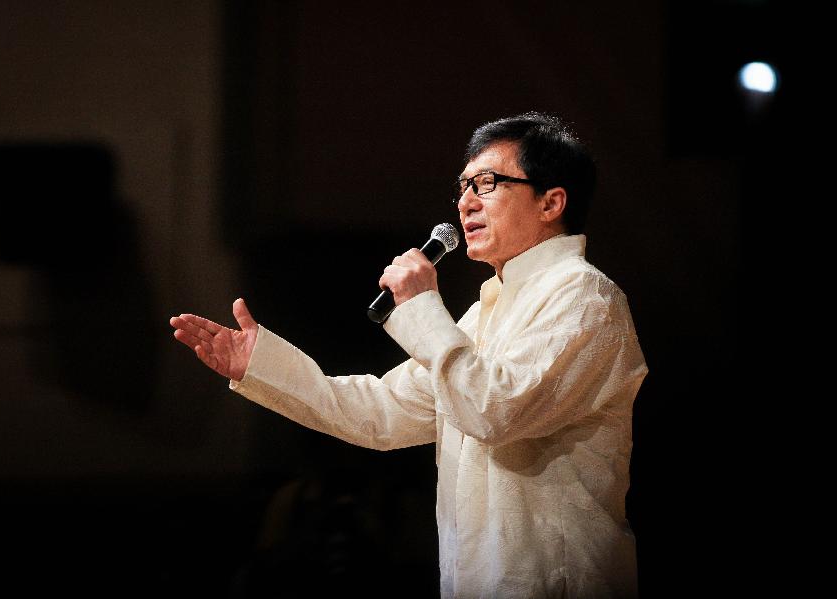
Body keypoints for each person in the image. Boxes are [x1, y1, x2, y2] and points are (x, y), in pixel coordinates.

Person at [170, 112, 648, 598]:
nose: (464, 203)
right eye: (462, 187)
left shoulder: (587, 299)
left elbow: (494, 412)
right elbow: (380, 412)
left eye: (486, 183)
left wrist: (421, 306)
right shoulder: (488, 310)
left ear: (551, 202)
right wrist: (260, 366)